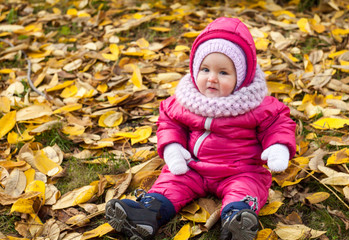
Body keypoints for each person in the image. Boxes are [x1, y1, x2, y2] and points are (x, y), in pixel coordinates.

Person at [105, 17, 296, 240]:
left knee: (245, 189)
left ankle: (237, 219)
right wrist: (173, 147)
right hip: (192, 166)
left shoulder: (257, 106)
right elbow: (169, 122)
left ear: (241, 78)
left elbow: (278, 124)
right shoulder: (186, 100)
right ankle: (147, 213)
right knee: (170, 183)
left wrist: (278, 147)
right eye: (205, 69)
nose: (212, 78)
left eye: (223, 73)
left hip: (239, 169)